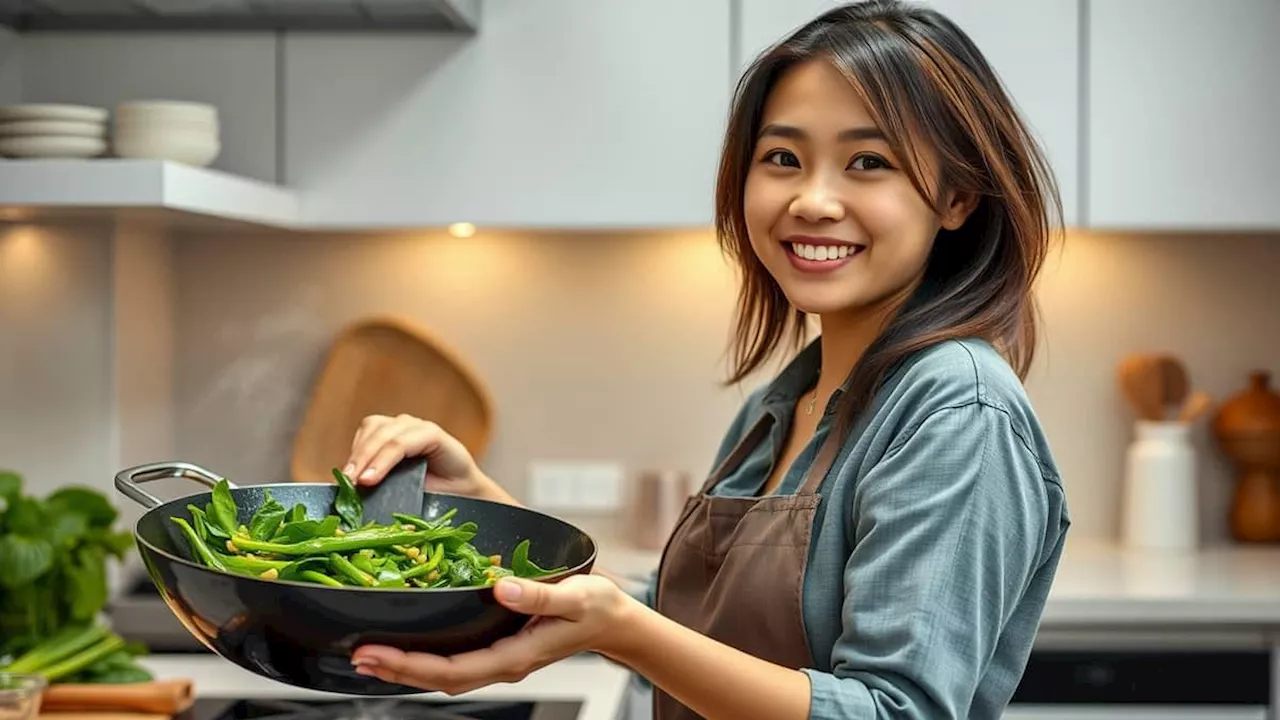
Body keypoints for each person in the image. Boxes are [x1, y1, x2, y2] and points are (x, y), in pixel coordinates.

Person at [341, 1, 1071, 718]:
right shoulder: (787, 402)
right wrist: (483, 509)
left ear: (958, 197)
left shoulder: (957, 411)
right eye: (783, 157)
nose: (813, 200)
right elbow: (684, 623)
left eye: (868, 162)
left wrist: (626, 632)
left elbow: (892, 712)